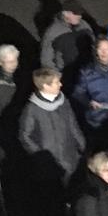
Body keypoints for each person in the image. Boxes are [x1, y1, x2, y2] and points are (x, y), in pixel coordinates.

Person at [17, 67, 86, 197]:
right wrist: (42, 156)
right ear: (46, 86)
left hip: (70, 157)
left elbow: (73, 125)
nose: (61, 84)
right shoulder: (31, 109)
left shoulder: (64, 102)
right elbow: (25, 135)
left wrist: (82, 145)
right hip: (51, 165)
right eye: (56, 82)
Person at [40, 1, 95, 80]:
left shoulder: (84, 25)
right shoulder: (52, 32)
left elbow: (94, 45)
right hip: (69, 77)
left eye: (80, 13)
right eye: (75, 14)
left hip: (90, 73)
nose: (79, 16)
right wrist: (59, 77)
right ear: (65, 13)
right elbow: (46, 60)